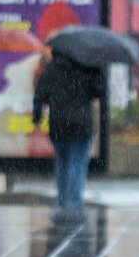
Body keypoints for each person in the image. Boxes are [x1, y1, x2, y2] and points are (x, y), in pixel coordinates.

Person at [32, 49, 105, 216]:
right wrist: (97, 71)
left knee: (62, 161)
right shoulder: (85, 69)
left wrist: (36, 117)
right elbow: (98, 92)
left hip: (58, 123)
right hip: (81, 123)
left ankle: (63, 200)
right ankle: (73, 202)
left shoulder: (51, 69)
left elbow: (40, 95)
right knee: (77, 161)